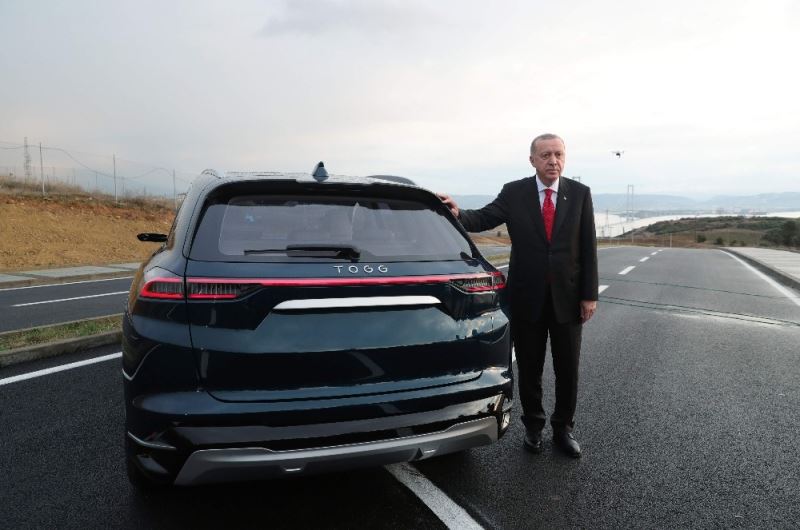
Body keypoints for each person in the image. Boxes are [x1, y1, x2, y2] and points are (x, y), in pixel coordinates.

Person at [438, 133, 598, 458]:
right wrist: (458, 213)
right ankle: (534, 427)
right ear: (532, 160)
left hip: (568, 300)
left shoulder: (580, 194)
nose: (553, 161)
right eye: (546, 155)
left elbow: (588, 246)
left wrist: (589, 295)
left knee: (568, 369)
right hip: (527, 298)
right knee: (529, 367)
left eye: (558, 154)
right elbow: (484, 217)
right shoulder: (515, 192)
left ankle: (563, 429)